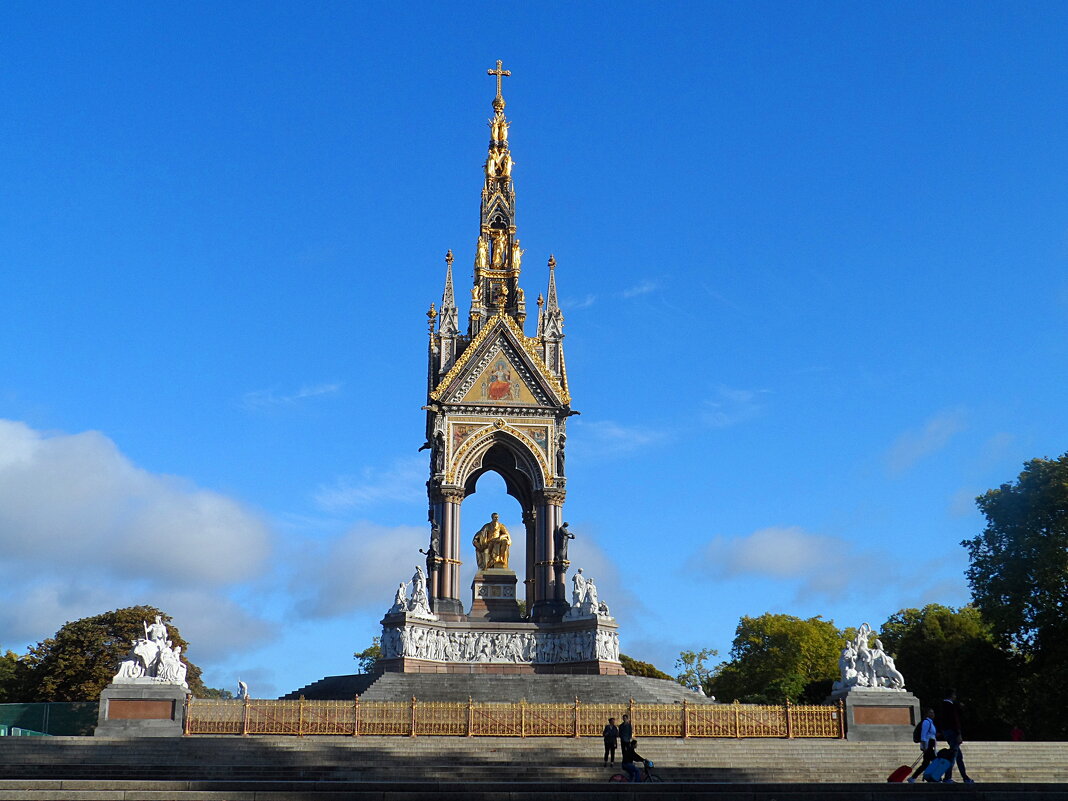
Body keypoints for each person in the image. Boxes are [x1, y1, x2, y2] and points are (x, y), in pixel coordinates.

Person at [936, 689, 974, 783]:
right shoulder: (951, 706)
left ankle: (965, 777)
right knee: (953, 756)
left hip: (946, 732)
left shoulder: (942, 705)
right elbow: (955, 721)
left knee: (958, 756)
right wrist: (958, 734)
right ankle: (947, 777)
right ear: (952, 696)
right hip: (952, 733)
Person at [908, 708, 938, 783]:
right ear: (927, 714)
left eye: (933, 712)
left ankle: (913, 777)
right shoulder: (926, 722)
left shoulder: (931, 722)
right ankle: (932, 777)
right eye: (930, 712)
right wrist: (924, 746)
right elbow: (923, 735)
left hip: (931, 745)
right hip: (928, 745)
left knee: (925, 764)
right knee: (936, 761)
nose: (932, 714)